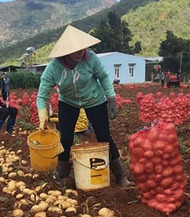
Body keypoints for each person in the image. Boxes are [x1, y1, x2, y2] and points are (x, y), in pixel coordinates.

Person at [36, 25, 131, 186]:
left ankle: (120, 176)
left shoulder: (91, 58)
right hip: (68, 102)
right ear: (66, 52)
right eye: (77, 50)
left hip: (95, 99)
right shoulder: (53, 68)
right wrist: (43, 116)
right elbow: (42, 95)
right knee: (65, 139)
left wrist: (112, 98)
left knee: (104, 136)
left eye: (83, 48)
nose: (82, 52)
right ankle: (61, 176)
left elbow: (104, 77)